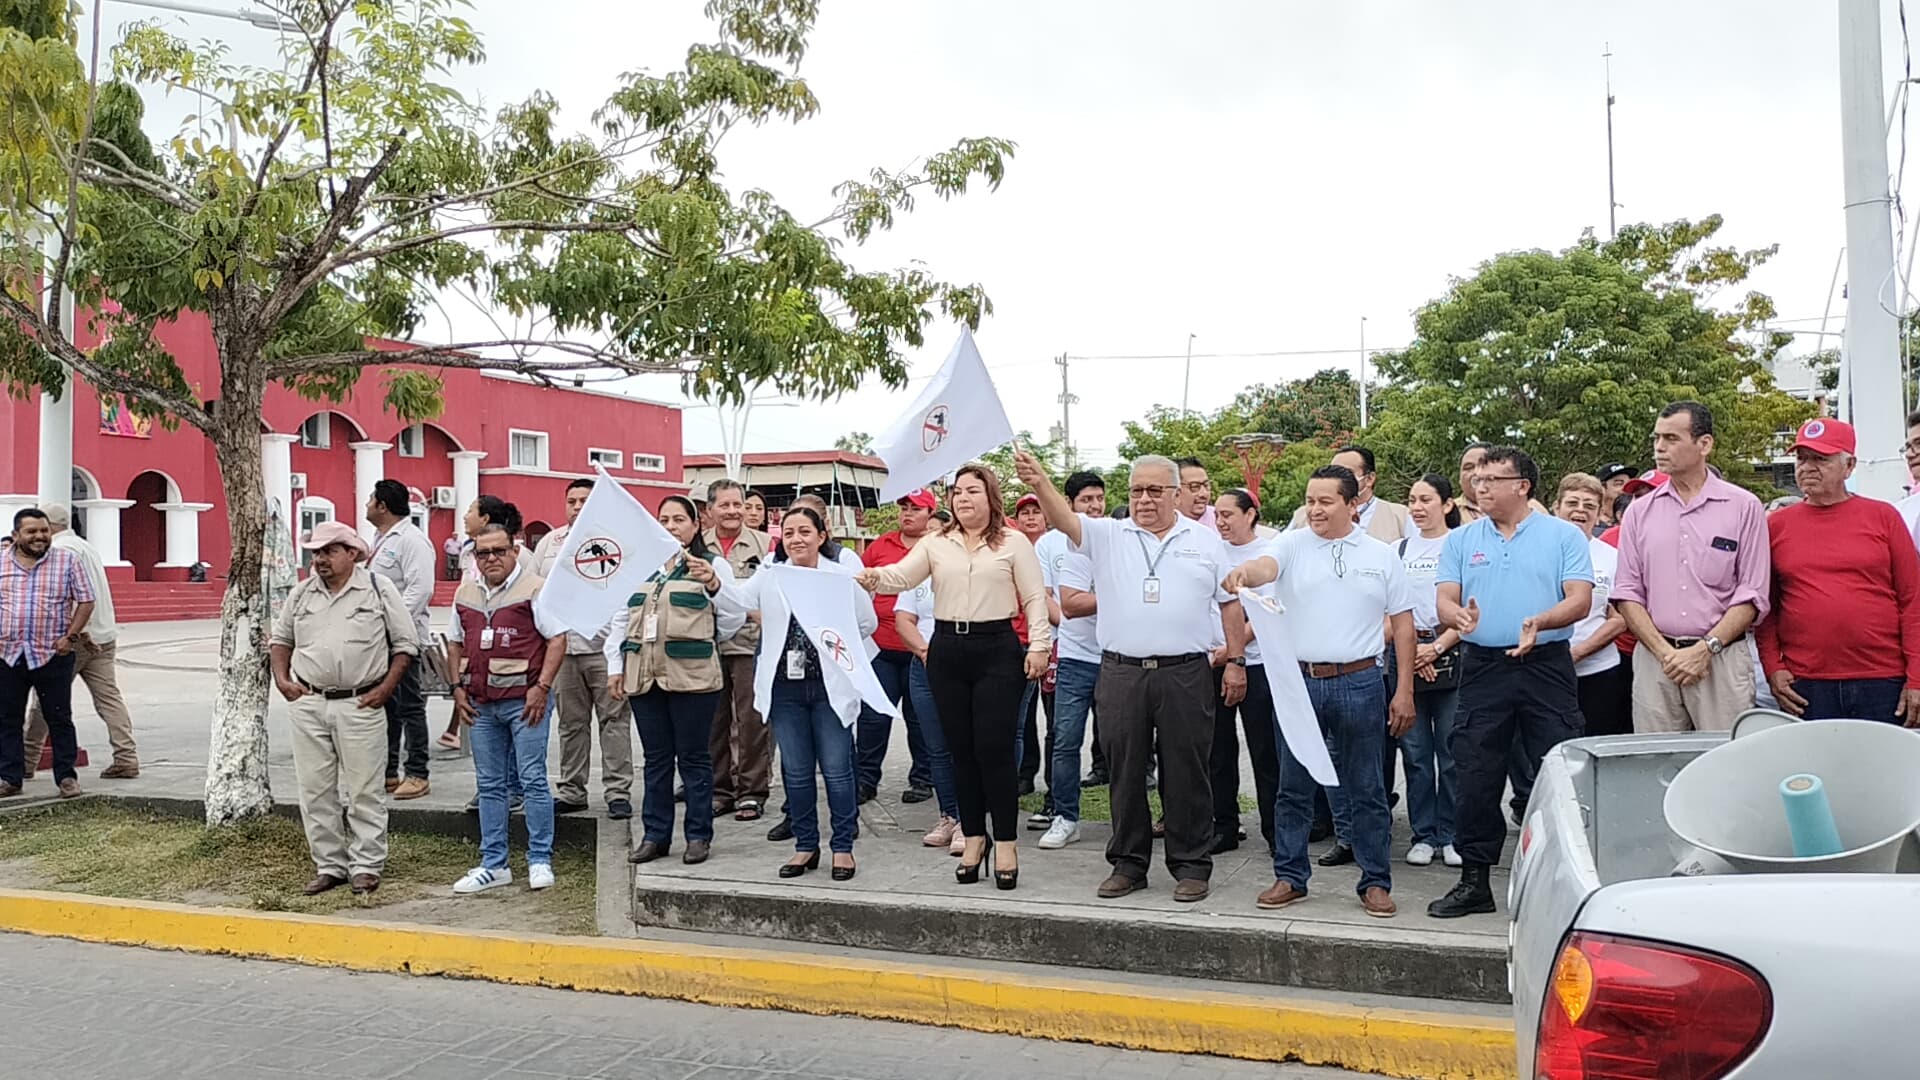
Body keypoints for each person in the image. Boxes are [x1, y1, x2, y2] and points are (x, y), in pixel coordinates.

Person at [1014, 450, 1250, 904]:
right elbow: (1064, 519)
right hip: (1121, 672)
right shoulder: (1108, 535)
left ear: (1176, 494)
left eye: (1155, 490)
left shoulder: (1203, 541)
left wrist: (1236, 660)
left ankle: (1191, 864)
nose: (1144, 499)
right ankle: (1128, 863)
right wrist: (1041, 481)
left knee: (1187, 771)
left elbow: (1229, 604)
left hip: (1185, 672)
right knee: (1124, 770)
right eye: (1137, 490)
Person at [1226, 466, 1416, 918]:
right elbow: (1263, 566)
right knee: (1293, 786)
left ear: (1352, 505)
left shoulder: (1382, 554)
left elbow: (1404, 625)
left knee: (1367, 788)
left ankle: (1375, 881)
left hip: (1361, 681)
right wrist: (1244, 575)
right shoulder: (1291, 543)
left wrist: (1403, 688)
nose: (1315, 509)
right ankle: (1290, 876)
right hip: (1300, 683)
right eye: (1310, 500)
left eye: (1326, 501)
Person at [859, 464, 1052, 891]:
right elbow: (902, 576)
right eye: (957, 492)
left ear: (991, 497)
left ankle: (1005, 841)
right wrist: (871, 576)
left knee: (995, 749)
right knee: (959, 750)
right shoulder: (936, 542)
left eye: (972, 491)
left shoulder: (1014, 541)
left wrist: (1039, 645)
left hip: (998, 648)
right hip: (947, 648)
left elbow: (1035, 596)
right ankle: (974, 837)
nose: (963, 499)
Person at [1427, 446, 1592, 918]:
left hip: (1546, 665)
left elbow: (1579, 600)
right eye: (1477, 478)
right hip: (1482, 666)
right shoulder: (1462, 540)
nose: (1480, 485)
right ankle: (1475, 879)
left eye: (1492, 479)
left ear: (1522, 486)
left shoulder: (1562, 536)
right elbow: (1445, 596)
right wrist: (1455, 614)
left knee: (1558, 770)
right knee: (1475, 770)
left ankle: (1566, 881)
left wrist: (1540, 621)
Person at [724, 505, 873, 881]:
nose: (796, 540)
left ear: (821, 536)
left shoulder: (841, 576)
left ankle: (843, 847)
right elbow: (738, 601)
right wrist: (713, 580)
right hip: (784, 688)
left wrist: (836, 637)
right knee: (796, 772)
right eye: (789, 533)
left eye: (805, 532)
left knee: (838, 771)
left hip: (828, 687)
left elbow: (867, 622)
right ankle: (805, 845)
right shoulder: (771, 574)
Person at [268, 522, 418, 895]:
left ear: (352, 553)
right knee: (315, 790)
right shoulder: (302, 593)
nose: (320, 559)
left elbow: (405, 645)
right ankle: (329, 865)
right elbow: (280, 639)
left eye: (329, 551)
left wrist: (384, 689)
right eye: (316, 552)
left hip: (361, 702)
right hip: (310, 702)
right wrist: (282, 680)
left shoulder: (378, 589)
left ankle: (366, 864)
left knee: (364, 789)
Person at [1613, 402, 1769, 734]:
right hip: (1656, 660)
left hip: (1721, 660)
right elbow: (1627, 593)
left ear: (1704, 444)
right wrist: (1665, 653)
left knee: (1725, 763)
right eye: (1656, 438)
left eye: (1671, 438)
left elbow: (1752, 593)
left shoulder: (1744, 507)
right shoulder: (1639, 513)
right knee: (1656, 765)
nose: (1659, 447)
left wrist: (1705, 649)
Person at [1756, 419, 1920, 725]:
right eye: (1801, 458)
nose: (1807, 467)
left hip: (1883, 679)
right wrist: (1772, 668)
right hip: (1806, 683)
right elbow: (1766, 607)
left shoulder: (1884, 517)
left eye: (1821, 458)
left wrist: (1916, 678)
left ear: (1849, 466)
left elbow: (1913, 600)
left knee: (1884, 770)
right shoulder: (1775, 526)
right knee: (1815, 772)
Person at [609, 495, 743, 864]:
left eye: (679, 520)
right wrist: (614, 667)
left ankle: (698, 836)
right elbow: (621, 618)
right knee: (656, 760)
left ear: (696, 524)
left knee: (695, 759)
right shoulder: (640, 567)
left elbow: (732, 617)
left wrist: (714, 583)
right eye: (664, 520)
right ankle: (655, 835)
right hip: (644, 676)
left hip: (693, 677)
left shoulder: (711, 565)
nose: (670, 527)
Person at [447, 523, 567, 894]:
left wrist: (542, 688)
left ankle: (539, 858)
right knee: (490, 784)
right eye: (483, 553)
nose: (492, 559)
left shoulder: (535, 588)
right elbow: (454, 643)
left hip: (525, 703)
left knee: (532, 780)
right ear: (474, 557)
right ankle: (494, 863)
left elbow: (557, 638)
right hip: (481, 704)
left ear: (515, 551)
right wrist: (456, 689)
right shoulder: (465, 594)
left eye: (499, 551)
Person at [532, 478, 636, 820]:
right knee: (571, 724)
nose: (577, 507)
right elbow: (534, 591)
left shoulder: (616, 543)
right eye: (572, 501)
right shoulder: (550, 543)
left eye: (584, 501)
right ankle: (572, 789)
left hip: (605, 649)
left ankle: (618, 791)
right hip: (563, 650)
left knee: (614, 722)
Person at [21, 504, 138, 781]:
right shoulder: (86, 546)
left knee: (45, 700)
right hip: (104, 634)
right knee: (109, 699)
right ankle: (126, 756)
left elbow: (71, 597)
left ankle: (27, 759)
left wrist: (70, 634)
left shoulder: (61, 552)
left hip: (77, 637)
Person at [1034, 470, 1108, 848]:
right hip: (1075, 657)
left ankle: (1129, 819)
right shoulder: (1050, 545)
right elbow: (1045, 595)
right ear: (1069, 504)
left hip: (1116, 657)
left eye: (1099, 499)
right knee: (1064, 739)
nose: (1095, 507)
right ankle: (1065, 816)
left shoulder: (1117, 534)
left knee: (1122, 744)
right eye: (1086, 501)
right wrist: (1067, 620)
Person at [0, 508, 96, 799]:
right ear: (16, 536)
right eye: (31, 532)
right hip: (8, 654)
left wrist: (71, 636)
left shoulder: (67, 561)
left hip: (52, 654)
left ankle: (66, 778)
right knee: (7, 718)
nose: (40, 536)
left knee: (59, 718)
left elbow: (86, 600)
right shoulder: (1, 563)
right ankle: (9, 778)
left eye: (44, 530)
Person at [1209, 488, 1281, 856]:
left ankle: (1274, 829)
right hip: (1211, 663)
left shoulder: (1269, 552)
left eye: (1228, 515)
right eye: (1217, 515)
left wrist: (1233, 648)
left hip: (1256, 663)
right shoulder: (1210, 549)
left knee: (1265, 750)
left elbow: (1266, 607)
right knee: (1217, 751)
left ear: (1250, 514)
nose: (1220, 522)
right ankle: (1224, 825)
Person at [1397, 474, 1463, 868]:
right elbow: (1390, 608)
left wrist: (1435, 648)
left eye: (1426, 499)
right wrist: (1414, 654)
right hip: (1406, 654)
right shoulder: (1398, 549)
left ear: (1447, 504)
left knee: (1452, 752)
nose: (1418, 507)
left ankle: (1451, 833)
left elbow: (1472, 607)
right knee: (1416, 754)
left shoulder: (1461, 545)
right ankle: (1423, 833)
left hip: (1451, 652)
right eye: (1412, 500)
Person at [857, 489, 938, 805]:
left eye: (916, 509)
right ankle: (865, 779)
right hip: (882, 647)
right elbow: (859, 582)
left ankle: (923, 778)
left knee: (920, 718)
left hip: (922, 650)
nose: (908, 513)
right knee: (874, 715)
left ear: (929, 514)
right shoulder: (881, 546)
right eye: (903, 507)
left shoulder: (937, 547)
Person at [704, 478, 775, 823]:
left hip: (751, 642)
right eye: (725, 505)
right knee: (714, 721)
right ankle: (719, 790)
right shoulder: (697, 546)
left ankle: (751, 792)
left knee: (752, 721)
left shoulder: (766, 544)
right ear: (710, 510)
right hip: (708, 644)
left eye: (739, 504)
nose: (733, 511)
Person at [364, 480, 436, 800]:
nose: (366, 504)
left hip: (403, 638)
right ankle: (389, 771)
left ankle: (418, 772)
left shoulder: (412, 541)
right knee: (387, 707)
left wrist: (393, 625)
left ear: (383, 506)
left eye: (370, 499)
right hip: (381, 639)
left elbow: (419, 591)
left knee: (410, 707)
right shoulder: (380, 539)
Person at [1553, 474, 1630, 737]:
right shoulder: (1535, 552)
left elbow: (1620, 618)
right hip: (1545, 673)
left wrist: (1576, 654)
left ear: (1598, 515)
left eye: (1589, 506)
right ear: (1556, 508)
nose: (1580, 510)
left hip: (1599, 673)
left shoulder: (1612, 557)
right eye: (1572, 503)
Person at [892, 578, 963, 853]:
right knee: (936, 748)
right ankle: (949, 815)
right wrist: (924, 651)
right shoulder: (918, 571)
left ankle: (968, 822)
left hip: (962, 664)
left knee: (963, 747)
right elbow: (904, 620)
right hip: (924, 666)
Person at [1010, 492, 1051, 797]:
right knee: (1020, 715)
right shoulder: (1009, 547)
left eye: (1036, 511)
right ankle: (1024, 773)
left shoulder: (1056, 546)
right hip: (1015, 640)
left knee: (1055, 718)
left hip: (1051, 641)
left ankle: (1053, 781)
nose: (1031, 517)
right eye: (1025, 513)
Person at [1286, 446, 1414, 542]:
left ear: (1369, 478)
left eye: (1347, 472)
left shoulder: (1400, 516)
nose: (1339, 478)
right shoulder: (1303, 517)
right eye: (1334, 472)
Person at [1595, 464, 1637, 531]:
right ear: (1602, 488)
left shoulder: (1636, 519)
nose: (1625, 488)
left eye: (1628, 484)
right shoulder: (1591, 520)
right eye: (1618, 484)